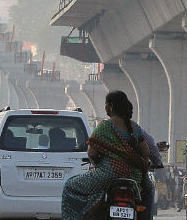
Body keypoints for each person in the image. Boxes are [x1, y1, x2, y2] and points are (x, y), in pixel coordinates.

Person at [62, 90, 152, 220]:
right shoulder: (135, 128)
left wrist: (97, 163)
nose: (105, 107)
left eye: (105, 104)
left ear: (111, 106)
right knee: (148, 191)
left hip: (107, 175)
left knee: (70, 186)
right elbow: (146, 152)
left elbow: (92, 153)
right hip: (135, 177)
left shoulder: (104, 126)